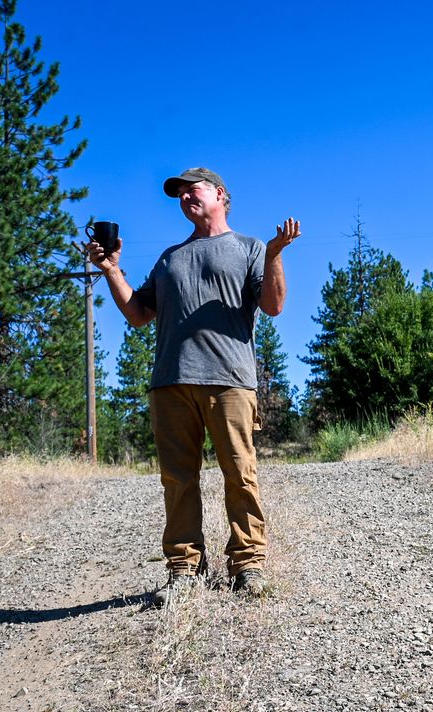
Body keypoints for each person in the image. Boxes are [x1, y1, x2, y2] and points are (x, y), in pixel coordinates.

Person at [86, 167, 300, 606]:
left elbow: (274, 306)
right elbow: (139, 314)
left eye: (192, 189)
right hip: (170, 382)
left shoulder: (249, 248)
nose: (184, 197)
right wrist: (111, 270)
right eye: (179, 194)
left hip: (229, 381)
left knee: (239, 474)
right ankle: (185, 568)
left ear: (220, 194)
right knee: (177, 480)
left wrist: (275, 253)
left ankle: (248, 564)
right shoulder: (170, 258)